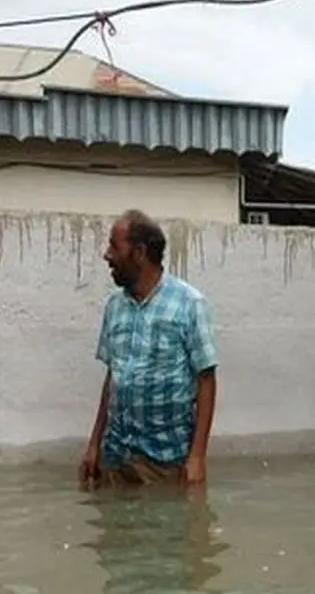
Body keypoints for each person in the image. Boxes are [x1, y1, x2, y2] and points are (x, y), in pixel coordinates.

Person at [79, 209, 219, 489]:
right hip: (116, 456)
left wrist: (198, 457)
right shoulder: (114, 307)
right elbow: (113, 379)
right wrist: (94, 444)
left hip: (166, 462)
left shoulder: (189, 303)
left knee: (167, 530)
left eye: (114, 246)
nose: (107, 255)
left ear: (140, 252)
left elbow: (206, 379)